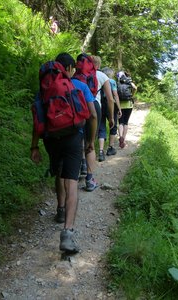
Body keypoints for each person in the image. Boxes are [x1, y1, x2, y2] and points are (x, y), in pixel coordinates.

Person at [30, 52, 96, 254]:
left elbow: (37, 121)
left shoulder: (43, 91)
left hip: (51, 139)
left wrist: (34, 147)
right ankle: (67, 233)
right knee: (72, 181)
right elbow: (92, 114)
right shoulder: (78, 85)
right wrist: (90, 142)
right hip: (73, 137)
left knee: (58, 172)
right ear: (68, 69)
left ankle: (59, 209)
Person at [82, 55, 114, 191]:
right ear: (99, 65)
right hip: (95, 107)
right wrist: (111, 117)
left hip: (79, 107)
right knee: (91, 142)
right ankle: (89, 179)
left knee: (80, 138)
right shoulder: (102, 75)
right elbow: (111, 99)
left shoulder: (77, 75)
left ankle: (82, 165)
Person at [99, 67, 122, 157]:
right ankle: (110, 148)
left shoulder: (99, 80)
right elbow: (115, 95)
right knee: (113, 125)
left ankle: (101, 151)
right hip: (110, 104)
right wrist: (119, 108)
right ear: (110, 74)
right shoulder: (112, 81)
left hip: (101, 104)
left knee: (101, 126)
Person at [117, 70, 137, 149]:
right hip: (129, 104)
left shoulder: (118, 82)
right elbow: (135, 88)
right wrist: (132, 94)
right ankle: (123, 140)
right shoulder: (129, 82)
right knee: (126, 122)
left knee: (120, 122)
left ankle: (120, 136)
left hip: (120, 104)